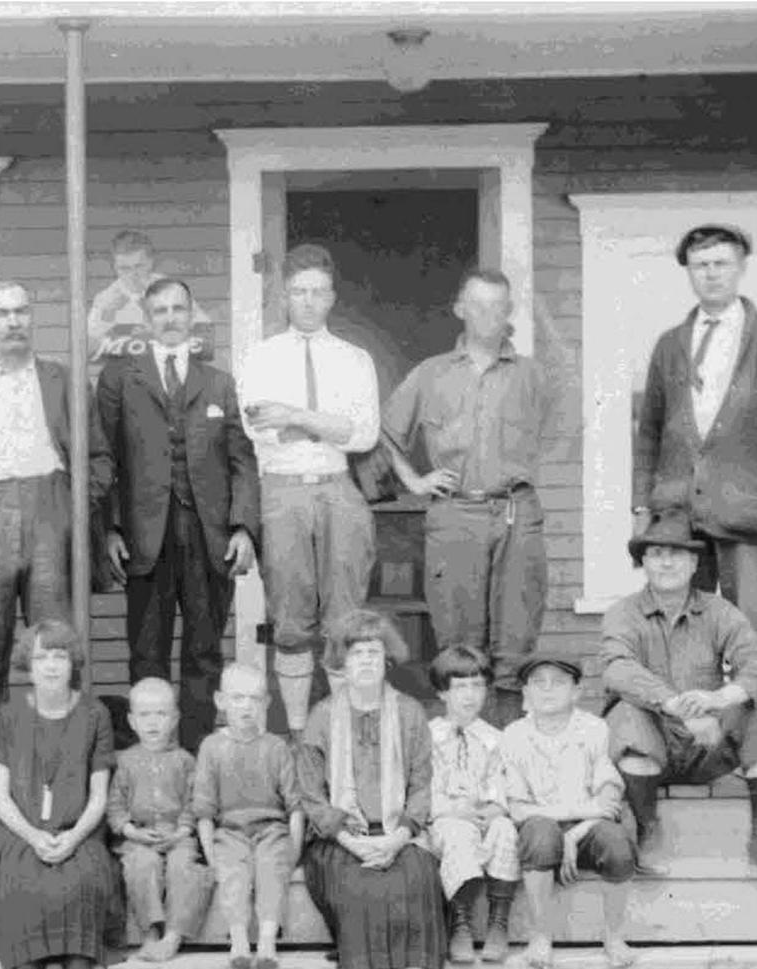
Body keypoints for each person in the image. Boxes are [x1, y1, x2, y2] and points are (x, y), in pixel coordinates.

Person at [0, 281, 113, 761]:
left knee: (54, 647)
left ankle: (53, 756)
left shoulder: (64, 381)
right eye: (1, 313)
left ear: (32, 319)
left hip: (50, 509)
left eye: (21, 311)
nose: (13, 321)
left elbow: (98, 459)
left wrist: (74, 516)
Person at [632, 224, 757, 674]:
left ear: (740, 269)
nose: (711, 274)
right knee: (680, 635)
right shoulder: (670, 345)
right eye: (700, 266)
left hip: (749, 517)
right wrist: (643, 505)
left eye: (721, 264)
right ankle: (690, 741)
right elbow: (650, 434)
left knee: (754, 638)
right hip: (678, 521)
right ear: (688, 273)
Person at [383, 269, 557, 727]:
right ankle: (461, 752)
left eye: (497, 306)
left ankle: (507, 751)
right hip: (455, 512)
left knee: (515, 638)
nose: (487, 315)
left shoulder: (532, 376)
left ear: (509, 313)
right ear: (460, 309)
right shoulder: (431, 374)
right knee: (459, 640)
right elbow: (386, 434)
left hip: (517, 511)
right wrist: (415, 480)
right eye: (477, 305)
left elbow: (562, 434)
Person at [97, 277, 260, 751]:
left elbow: (241, 461)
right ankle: (153, 760)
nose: (170, 319)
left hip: (208, 535)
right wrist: (110, 528)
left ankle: (195, 753)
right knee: (147, 651)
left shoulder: (218, 383)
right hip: (145, 537)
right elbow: (104, 457)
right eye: (160, 312)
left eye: (178, 310)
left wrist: (243, 528)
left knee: (205, 651)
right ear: (147, 321)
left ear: (191, 316)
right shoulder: (120, 379)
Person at [602, 507, 757, 882]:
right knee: (625, 714)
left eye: (677, 553)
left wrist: (721, 699)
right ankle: (647, 829)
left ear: (694, 563)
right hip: (653, 745)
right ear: (643, 561)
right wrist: (672, 703)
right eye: (656, 554)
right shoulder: (622, 613)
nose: (666, 562)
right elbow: (617, 668)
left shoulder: (719, 611)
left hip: (709, 744)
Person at [237, 244, 380, 737]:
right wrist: (329, 424)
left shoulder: (354, 360)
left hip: (338, 487)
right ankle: (300, 730)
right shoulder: (261, 357)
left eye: (318, 292)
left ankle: (340, 728)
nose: (308, 301)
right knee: (291, 616)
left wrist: (296, 415)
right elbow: (260, 429)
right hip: (282, 490)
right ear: (284, 296)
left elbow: (363, 435)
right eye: (299, 292)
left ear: (332, 298)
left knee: (345, 615)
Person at [296, 609, 447, 969]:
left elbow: (423, 785)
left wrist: (399, 837)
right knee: (358, 886)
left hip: (400, 832)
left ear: (387, 660)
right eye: (356, 652)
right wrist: (350, 839)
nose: (365, 660)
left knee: (416, 876)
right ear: (341, 662)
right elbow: (311, 793)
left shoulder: (409, 712)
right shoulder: (322, 717)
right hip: (341, 839)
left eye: (374, 652)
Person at [0, 618, 122, 969]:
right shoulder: (8, 714)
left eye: (60, 655)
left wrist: (73, 836)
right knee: (23, 886)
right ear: (29, 664)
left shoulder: (95, 715)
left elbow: (98, 796)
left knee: (79, 884)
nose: (51, 666)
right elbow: (0, 797)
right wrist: (34, 835)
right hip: (19, 832)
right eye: (42, 656)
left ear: (72, 662)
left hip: (78, 831)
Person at [502, 654, 637, 969]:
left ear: (576, 692)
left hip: (587, 827)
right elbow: (518, 807)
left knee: (616, 843)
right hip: (539, 825)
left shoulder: (593, 729)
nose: (548, 690)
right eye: (538, 683)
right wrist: (573, 812)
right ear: (525, 694)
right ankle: (540, 934)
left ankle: (614, 935)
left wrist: (573, 836)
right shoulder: (513, 735)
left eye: (559, 682)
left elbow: (608, 796)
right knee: (540, 834)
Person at [192, 663, 304, 969]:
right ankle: (239, 941)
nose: (246, 706)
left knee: (271, 868)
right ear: (220, 701)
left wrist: (293, 852)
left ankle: (267, 941)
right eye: (238, 698)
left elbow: (294, 806)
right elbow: (204, 808)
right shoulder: (212, 747)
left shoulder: (276, 747)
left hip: (271, 831)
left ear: (266, 704)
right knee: (233, 873)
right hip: (229, 833)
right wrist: (211, 853)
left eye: (255, 699)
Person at [106, 677, 215, 962]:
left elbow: (195, 802)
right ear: (131, 721)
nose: (153, 723)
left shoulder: (185, 760)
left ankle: (174, 934)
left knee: (184, 867)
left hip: (177, 834)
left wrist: (182, 830)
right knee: (143, 864)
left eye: (161, 714)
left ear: (175, 718)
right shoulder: (124, 762)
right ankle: (151, 931)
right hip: (138, 836)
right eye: (144, 715)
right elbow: (115, 806)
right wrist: (129, 831)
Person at [425, 644, 520, 964]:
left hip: (484, 815)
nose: (469, 695)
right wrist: (455, 810)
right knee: (456, 833)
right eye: (460, 687)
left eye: (477, 685)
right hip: (446, 818)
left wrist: (493, 809)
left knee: (505, 829)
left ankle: (498, 920)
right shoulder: (427, 738)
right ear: (442, 694)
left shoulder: (495, 738)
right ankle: (461, 920)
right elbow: (424, 790)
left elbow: (500, 783)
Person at [86, 230, 212, 364]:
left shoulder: (173, 291)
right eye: (124, 268)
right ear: (114, 267)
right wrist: (107, 315)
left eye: (139, 266)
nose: (132, 274)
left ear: (151, 262)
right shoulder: (105, 299)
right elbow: (89, 349)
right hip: (126, 377)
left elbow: (205, 337)